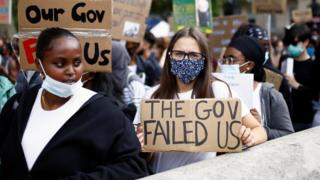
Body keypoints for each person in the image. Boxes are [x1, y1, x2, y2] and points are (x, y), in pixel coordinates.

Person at [0, 27, 148, 179]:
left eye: (77, 63)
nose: (71, 71)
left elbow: (133, 167)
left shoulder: (105, 113)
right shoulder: (18, 106)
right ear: (39, 65)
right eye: (60, 63)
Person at [134, 27, 267, 173]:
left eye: (193, 55)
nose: (186, 60)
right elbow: (134, 145)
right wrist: (139, 143)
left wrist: (249, 137)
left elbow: (259, 130)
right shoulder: (152, 96)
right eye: (179, 54)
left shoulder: (218, 90)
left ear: (203, 59)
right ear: (170, 57)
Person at [222, 36, 294, 140]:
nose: (226, 64)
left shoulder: (271, 95)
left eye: (232, 59)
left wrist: (259, 128)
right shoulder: (218, 90)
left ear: (249, 65)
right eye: (224, 59)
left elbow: (287, 134)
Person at [282, 23, 320, 131]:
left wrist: (297, 85)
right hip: (287, 119)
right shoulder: (286, 62)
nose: (291, 47)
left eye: (294, 43)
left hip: (306, 122)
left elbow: (315, 95)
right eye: (289, 43)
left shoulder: (314, 66)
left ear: (306, 42)